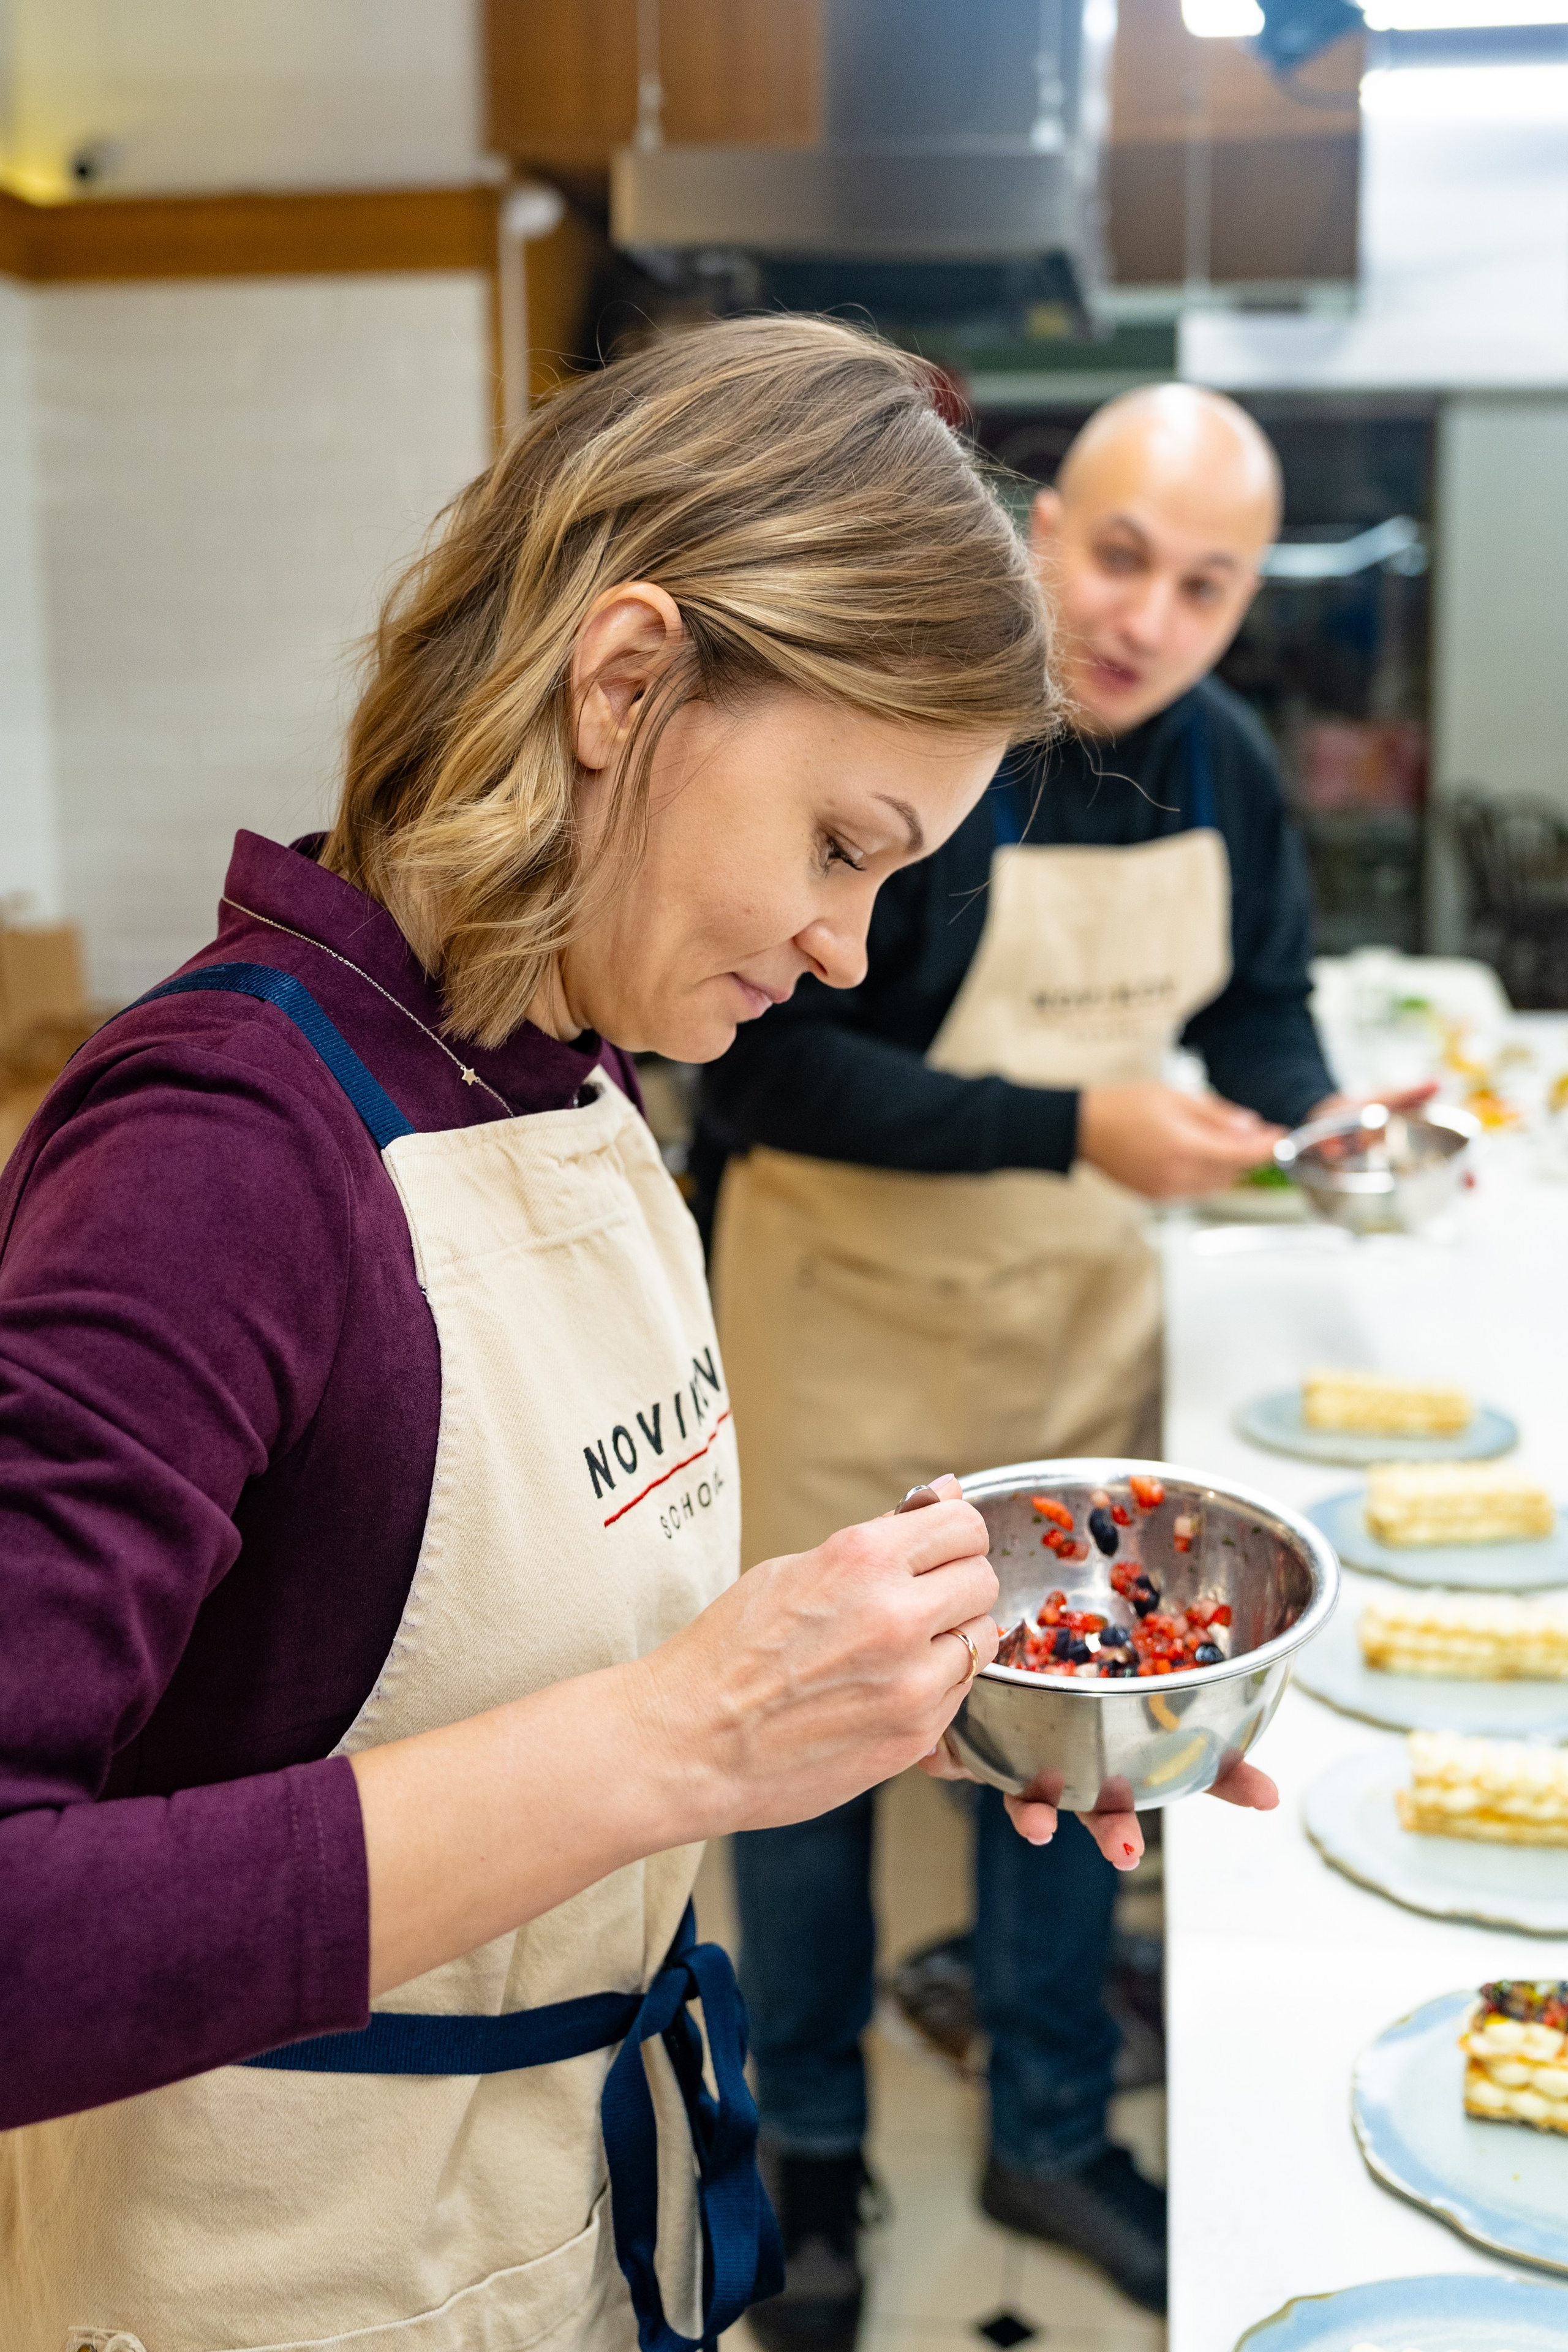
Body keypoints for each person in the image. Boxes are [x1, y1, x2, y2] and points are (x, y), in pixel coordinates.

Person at [0, 316, 1110, 2352]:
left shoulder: (567, 1073)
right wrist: (684, 1734)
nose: (846, 947)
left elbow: (478, 1662)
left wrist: (909, 1688)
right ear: (625, 681)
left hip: (548, 2220)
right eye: (844, 846)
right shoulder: (223, 1156)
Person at [695, 384, 1325, 2336]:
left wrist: (1320, 1131)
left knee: (1083, 1752)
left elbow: (1267, 1014)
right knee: (806, 1767)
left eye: (1206, 588)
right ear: (1047, 528)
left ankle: (1051, 2124)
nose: (1151, 616)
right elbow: (771, 1058)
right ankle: (807, 2164)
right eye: (1124, 555)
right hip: (840, 1323)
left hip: (1068, 1341)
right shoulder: (925, 730)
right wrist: (1077, 1129)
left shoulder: (1228, 769)